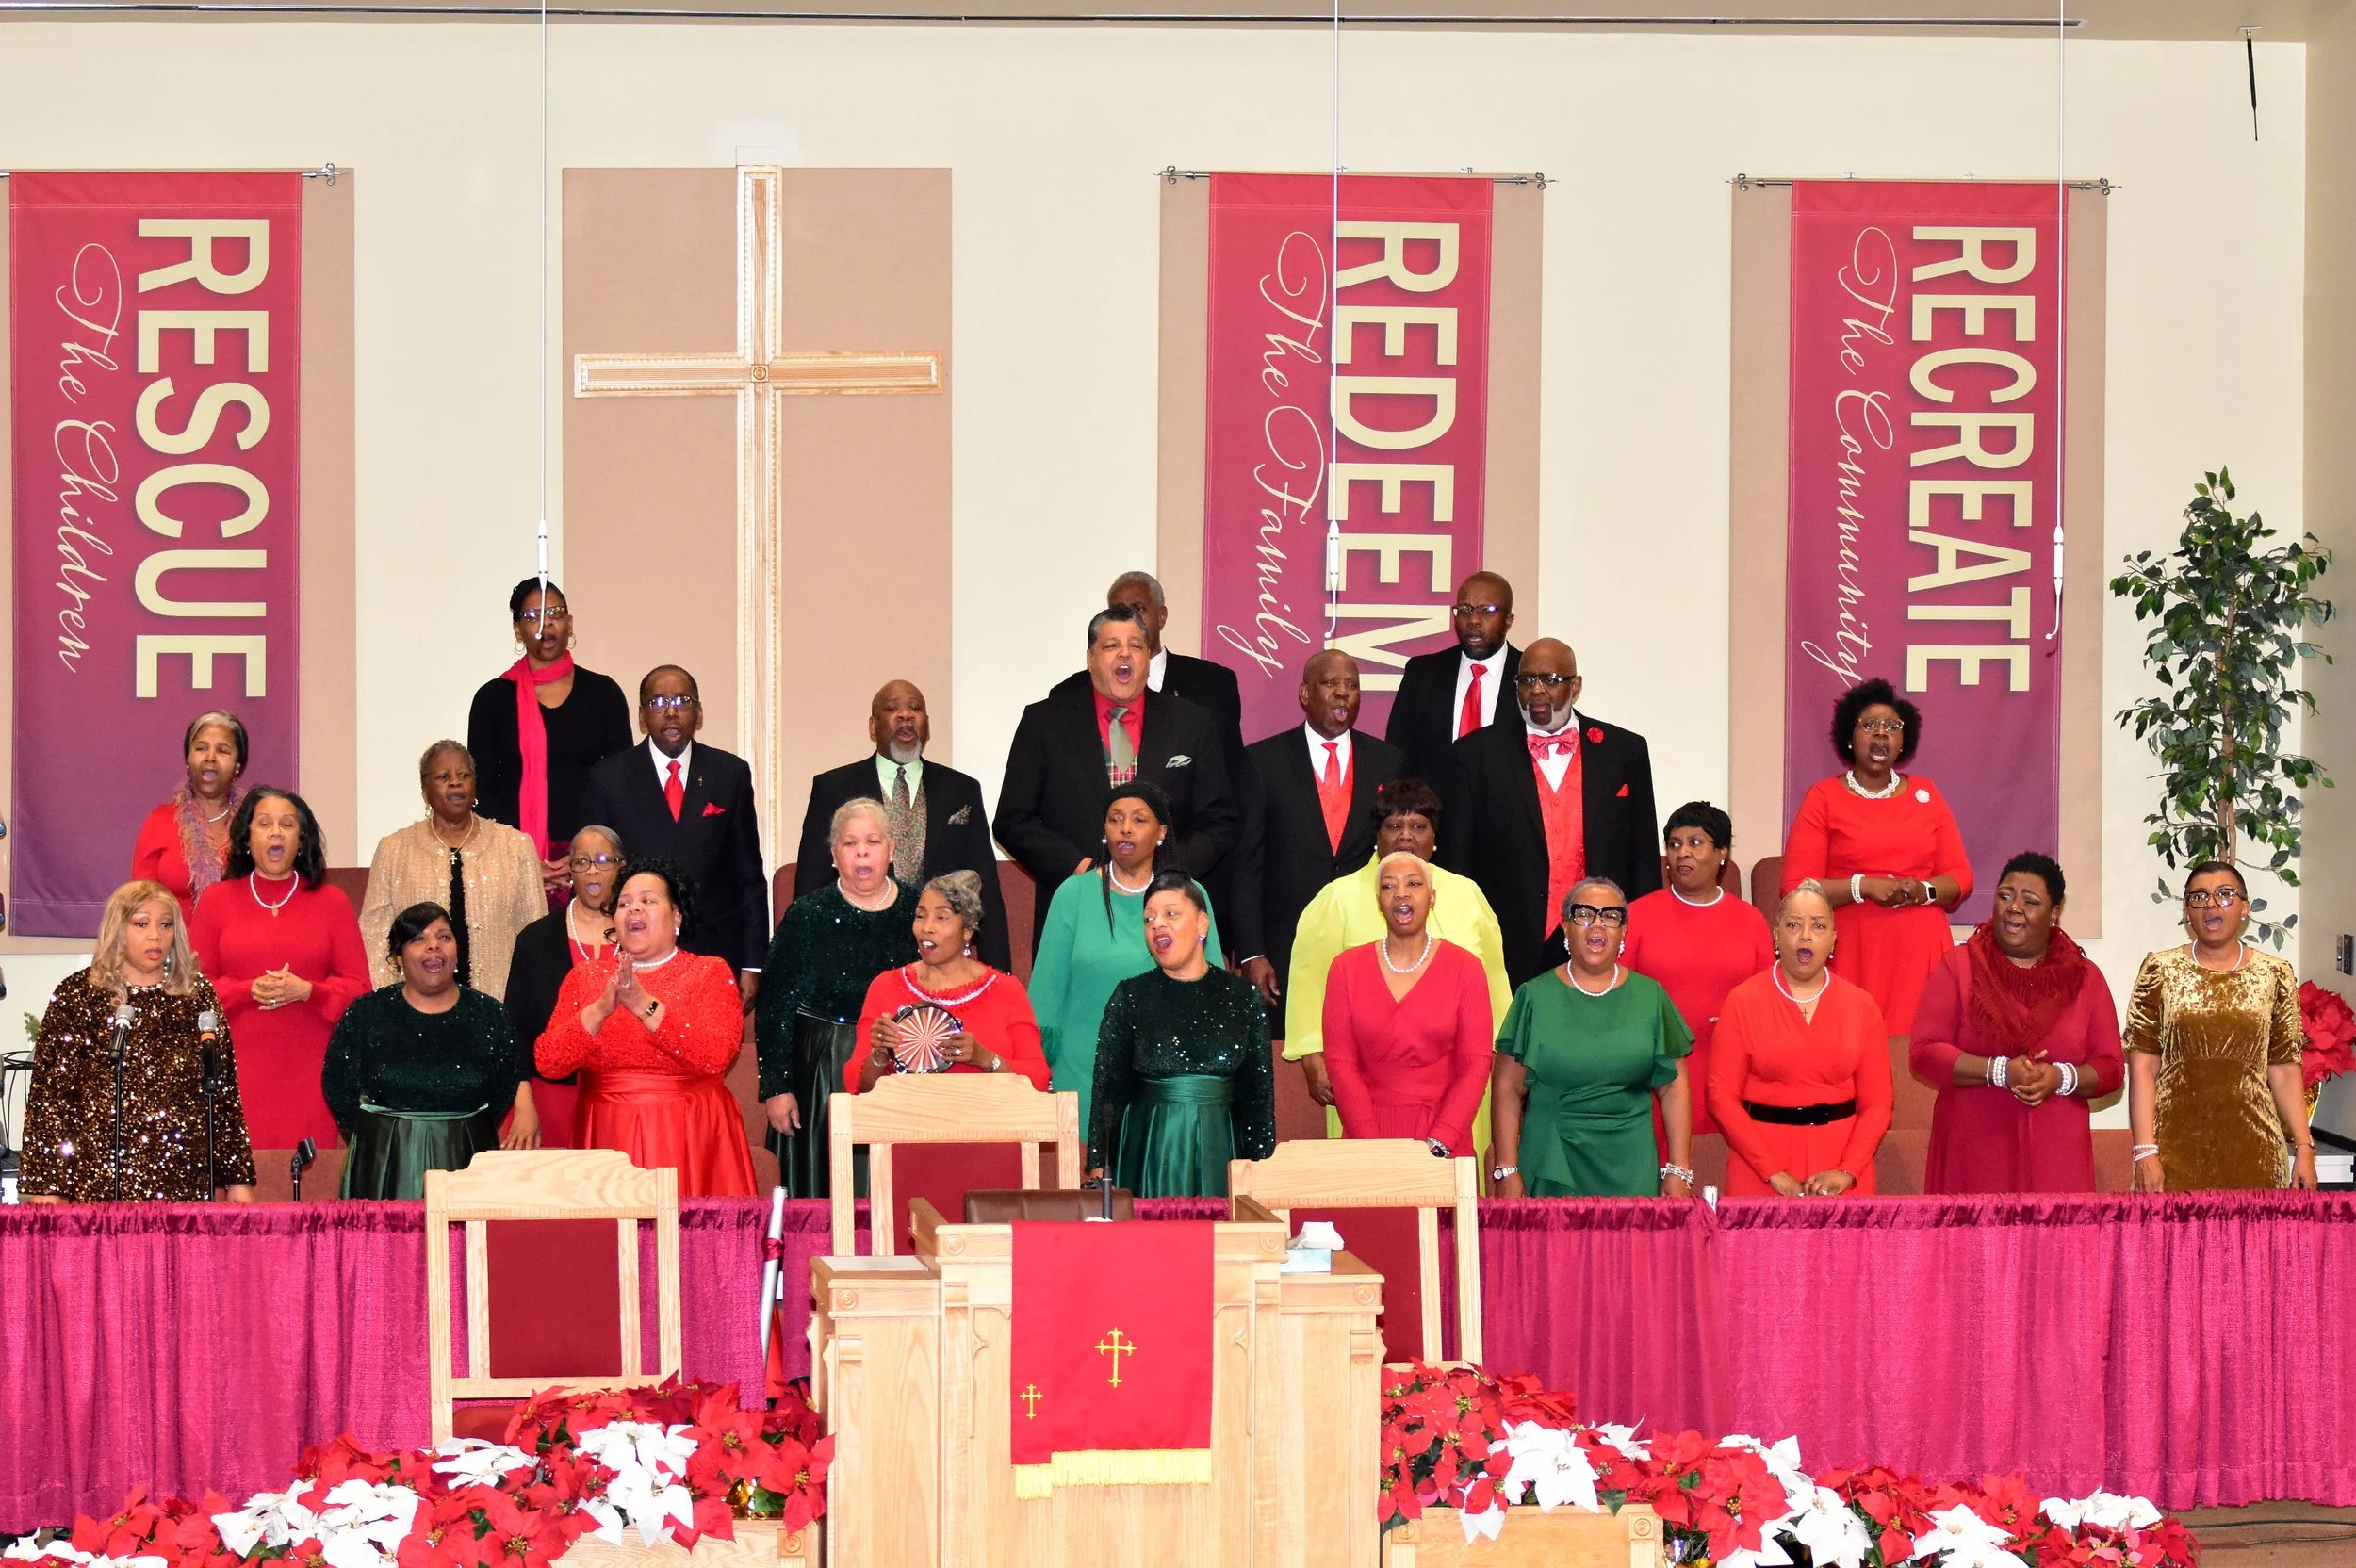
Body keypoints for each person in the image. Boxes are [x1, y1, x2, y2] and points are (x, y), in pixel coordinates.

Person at [996, 605, 1240, 952]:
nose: (1125, 654)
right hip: (1077, 913)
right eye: (1111, 646)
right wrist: (1081, 869)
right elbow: (1012, 820)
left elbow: (1219, 819)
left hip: (1167, 913)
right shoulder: (1044, 722)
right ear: (1090, 658)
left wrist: (1165, 872)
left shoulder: (1192, 723)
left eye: (1136, 646)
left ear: (1147, 659)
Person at [1284, 778, 1511, 1147]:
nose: (1406, 835)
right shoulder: (1337, 897)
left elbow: (1495, 982)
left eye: (1418, 826)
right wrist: (1312, 1051)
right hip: (1363, 1084)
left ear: (1435, 838)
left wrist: (1502, 1055)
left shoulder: (1468, 894)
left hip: (1461, 1084)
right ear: (1376, 836)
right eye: (1394, 825)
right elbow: (1309, 980)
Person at [1439, 637, 1662, 988]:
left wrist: (1640, 940)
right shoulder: (1475, 754)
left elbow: (1643, 858)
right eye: (1526, 680)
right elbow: (1457, 862)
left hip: (1600, 937)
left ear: (1575, 687)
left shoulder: (1625, 752)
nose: (1537, 690)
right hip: (1507, 939)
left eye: (1551, 680)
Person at [19, 880, 255, 1203]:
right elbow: (51, 1101)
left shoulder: (197, 996)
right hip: (97, 1183)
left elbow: (224, 1094)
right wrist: (46, 1189)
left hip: (183, 1183)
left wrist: (238, 1180)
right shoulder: (78, 995)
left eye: (165, 925)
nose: (155, 935)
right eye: (141, 924)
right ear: (118, 929)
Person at [536, 858, 758, 1197]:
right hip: (607, 1134)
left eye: (648, 900)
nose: (634, 909)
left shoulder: (709, 973)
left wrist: (643, 1004)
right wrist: (600, 1009)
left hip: (689, 1133)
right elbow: (549, 1062)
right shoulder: (586, 977)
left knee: (686, 1229)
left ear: (676, 917)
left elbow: (716, 1056)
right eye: (624, 903)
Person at [1910, 853, 2122, 1194]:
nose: (2014, 908)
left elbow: (2111, 1068)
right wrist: (1998, 1071)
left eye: (2030, 901)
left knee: (2055, 1231)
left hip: (2056, 1161)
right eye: (2005, 896)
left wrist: (2060, 1078)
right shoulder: (1959, 967)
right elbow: (1924, 1053)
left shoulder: (2085, 978)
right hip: (1973, 1160)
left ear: (2054, 914)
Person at [1028, 783, 1226, 1133]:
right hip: (1083, 1074)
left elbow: (1212, 994)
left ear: (1161, 831)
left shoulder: (1190, 896)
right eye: (1115, 819)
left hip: (1171, 1080)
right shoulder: (1073, 895)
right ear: (1104, 830)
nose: (1126, 829)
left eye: (1139, 820)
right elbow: (1046, 995)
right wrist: (1039, 1073)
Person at [1780, 678, 1972, 1037]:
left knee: (1920, 1052)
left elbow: (1961, 878)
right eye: (1869, 725)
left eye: (1892, 727)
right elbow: (1795, 888)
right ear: (1849, 737)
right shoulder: (1823, 798)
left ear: (1903, 741)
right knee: (1853, 1046)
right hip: (1854, 951)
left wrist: (1924, 891)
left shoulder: (1927, 794)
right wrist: (1863, 887)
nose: (1881, 733)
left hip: (1920, 951)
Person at [1233, 649, 1405, 1031]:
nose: (1343, 692)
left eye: (1352, 685)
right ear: (1305, 694)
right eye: (1330, 683)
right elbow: (1246, 865)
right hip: (1286, 949)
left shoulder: (1387, 762)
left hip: (1367, 945)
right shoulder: (1262, 762)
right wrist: (1252, 953)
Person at [190, 788, 371, 1152]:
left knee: (308, 1179)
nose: (276, 832)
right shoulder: (216, 901)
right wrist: (247, 990)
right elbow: (192, 989)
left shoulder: (332, 902)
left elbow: (360, 990)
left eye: (287, 825)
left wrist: (309, 991)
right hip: (237, 1071)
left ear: (301, 839)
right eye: (264, 824)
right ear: (247, 837)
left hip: (312, 1073)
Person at [755, 799, 920, 1197]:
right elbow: (775, 1005)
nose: (862, 852)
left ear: (892, 850)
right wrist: (776, 1087)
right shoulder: (807, 914)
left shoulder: (920, 911)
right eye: (850, 843)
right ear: (834, 856)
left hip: (903, 1066)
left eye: (872, 841)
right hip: (821, 1071)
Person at [1490, 878, 1693, 1197]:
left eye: (1610, 916)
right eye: (1584, 914)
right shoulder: (1534, 997)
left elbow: (1673, 1086)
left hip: (1631, 1163)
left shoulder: (1651, 996)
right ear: (1565, 926)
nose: (1597, 924)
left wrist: (1679, 1169)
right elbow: (1507, 1087)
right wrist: (1507, 1169)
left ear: (1624, 931)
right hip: (1552, 1160)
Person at [2124, 860, 2318, 1193]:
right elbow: (2143, 1066)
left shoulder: (2275, 974)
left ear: (2244, 908)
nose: (2211, 904)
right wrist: (2145, 1151)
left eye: (2225, 894)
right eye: (2199, 896)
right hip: (2173, 1152)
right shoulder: (2160, 969)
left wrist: (2304, 1147)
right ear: (2187, 910)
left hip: (2256, 1152)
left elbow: (2285, 1067)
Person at [792, 679, 1010, 972]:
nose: (905, 715)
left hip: (942, 955)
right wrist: (806, 963)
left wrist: (998, 971)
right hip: (859, 952)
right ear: (873, 726)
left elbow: (985, 884)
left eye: (915, 708)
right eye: (892, 708)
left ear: (927, 725)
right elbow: (811, 883)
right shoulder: (833, 788)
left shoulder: (962, 789)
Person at [324, 902, 537, 1199]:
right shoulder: (366, 1013)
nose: (434, 945)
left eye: (444, 937)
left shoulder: (489, 1014)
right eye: (418, 939)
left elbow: (504, 1086)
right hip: (383, 1161)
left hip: (467, 1157)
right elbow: (337, 1085)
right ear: (398, 958)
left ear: (457, 951)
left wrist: (463, 1129)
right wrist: (375, 1139)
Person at [1088, 872, 1275, 1198]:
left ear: (1202, 924)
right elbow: (1108, 1091)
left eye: (1171, 914)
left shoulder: (1244, 997)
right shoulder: (1130, 996)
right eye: (1149, 919)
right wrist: (1098, 1163)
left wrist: (1262, 1168)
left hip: (1222, 1149)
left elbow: (1257, 1096)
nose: (1157, 924)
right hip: (1147, 1149)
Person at [577, 665, 768, 984]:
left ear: (699, 713)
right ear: (642, 716)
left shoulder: (729, 774)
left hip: (715, 954)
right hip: (635, 954)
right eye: (657, 702)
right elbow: (598, 875)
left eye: (682, 701)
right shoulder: (608, 779)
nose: (670, 711)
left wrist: (753, 963)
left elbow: (748, 877)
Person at [1709, 882, 1894, 1197]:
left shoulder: (1861, 1005)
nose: (1805, 935)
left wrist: (1847, 1171)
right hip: (1758, 1171)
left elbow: (1879, 1104)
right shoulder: (1742, 1001)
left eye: (1818, 926)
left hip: (1842, 1170)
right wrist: (1772, 1172)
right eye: (1794, 925)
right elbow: (1721, 1097)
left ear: (1833, 939)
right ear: (1776, 936)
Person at [466, 578, 636, 903]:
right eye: (532, 616)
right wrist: (523, 860)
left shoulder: (603, 693)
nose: (546, 624)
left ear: (569, 623)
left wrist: (584, 856)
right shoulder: (492, 699)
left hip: (593, 862)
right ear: (517, 630)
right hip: (512, 862)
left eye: (555, 613)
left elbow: (621, 784)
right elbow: (482, 790)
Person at [1319, 852, 1493, 1156]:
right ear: (1378, 902)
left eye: (1413, 883)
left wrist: (1440, 1142)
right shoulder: (1344, 969)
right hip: (1367, 1142)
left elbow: (1475, 1066)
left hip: (1445, 1144)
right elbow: (1341, 1065)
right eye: (1389, 886)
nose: (1401, 893)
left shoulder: (1467, 969)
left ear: (1432, 897)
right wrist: (1375, 1149)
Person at [1622, 802, 1775, 1141]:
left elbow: (1768, 1001)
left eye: (1695, 843)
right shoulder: (1638, 917)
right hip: (1656, 1075)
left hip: (1732, 1071)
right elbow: (1618, 998)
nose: (1682, 853)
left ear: (1722, 853)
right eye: (1674, 844)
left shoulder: (1750, 921)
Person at [356, 742, 545, 999]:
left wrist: (523, 1000)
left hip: (499, 1003)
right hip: (416, 1006)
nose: (455, 783)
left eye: (464, 775)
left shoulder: (515, 846)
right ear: (425, 790)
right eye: (443, 777)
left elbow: (535, 936)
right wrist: (392, 1000)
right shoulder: (395, 849)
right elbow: (374, 936)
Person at [846, 872, 1049, 1093]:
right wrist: (879, 1055)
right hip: (905, 1114)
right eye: (920, 915)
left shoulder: (1007, 991)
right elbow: (856, 1089)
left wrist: (986, 1059)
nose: (926, 927)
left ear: (968, 930)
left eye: (942, 917)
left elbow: (1038, 1080)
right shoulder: (885, 987)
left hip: (988, 1114)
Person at [502, 825, 625, 1147]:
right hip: (550, 1097)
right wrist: (523, 1103)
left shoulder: (640, 935)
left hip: (623, 1100)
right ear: (570, 871)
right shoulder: (536, 939)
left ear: (621, 867)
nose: (593, 870)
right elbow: (516, 1030)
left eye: (603, 860)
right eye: (582, 862)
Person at [1385, 572, 1523, 790]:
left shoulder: (1528, 677)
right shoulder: (1422, 673)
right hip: (1435, 809)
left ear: (1508, 621)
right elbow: (1398, 756)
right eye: (1465, 609)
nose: (1473, 620)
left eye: (1486, 610)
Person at [129, 710, 251, 928]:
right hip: (175, 946)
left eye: (222, 750)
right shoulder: (160, 820)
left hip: (241, 943)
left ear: (238, 765)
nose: (210, 757)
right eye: (201, 748)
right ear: (188, 759)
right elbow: (140, 902)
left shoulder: (255, 824)